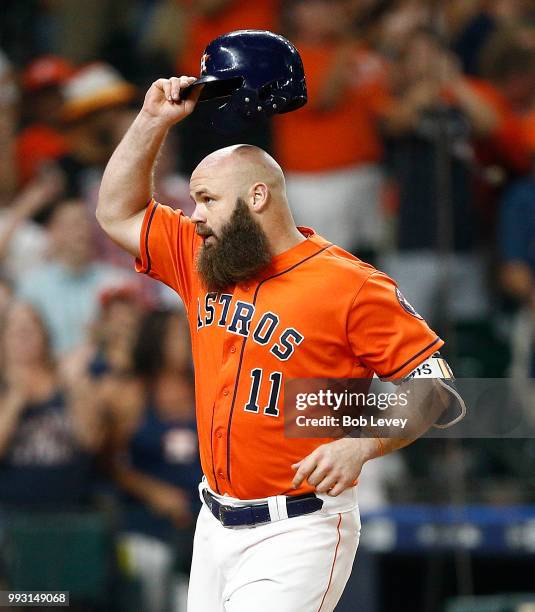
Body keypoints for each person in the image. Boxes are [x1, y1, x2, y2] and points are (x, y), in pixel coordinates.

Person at [96, 75, 464, 611]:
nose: (194, 215)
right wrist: (153, 120)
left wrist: (362, 442)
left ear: (258, 196)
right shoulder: (205, 260)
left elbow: (438, 387)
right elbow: (118, 212)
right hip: (213, 521)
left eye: (207, 199)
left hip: (299, 529)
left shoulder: (349, 284)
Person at [101, 308, 201, 612]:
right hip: (149, 521)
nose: (185, 339)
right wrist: (153, 492)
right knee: (153, 569)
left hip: (204, 517)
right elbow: (108, 463)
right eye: (175, 334)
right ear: (156, 340)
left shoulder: (204, 385)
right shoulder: (133, 395)